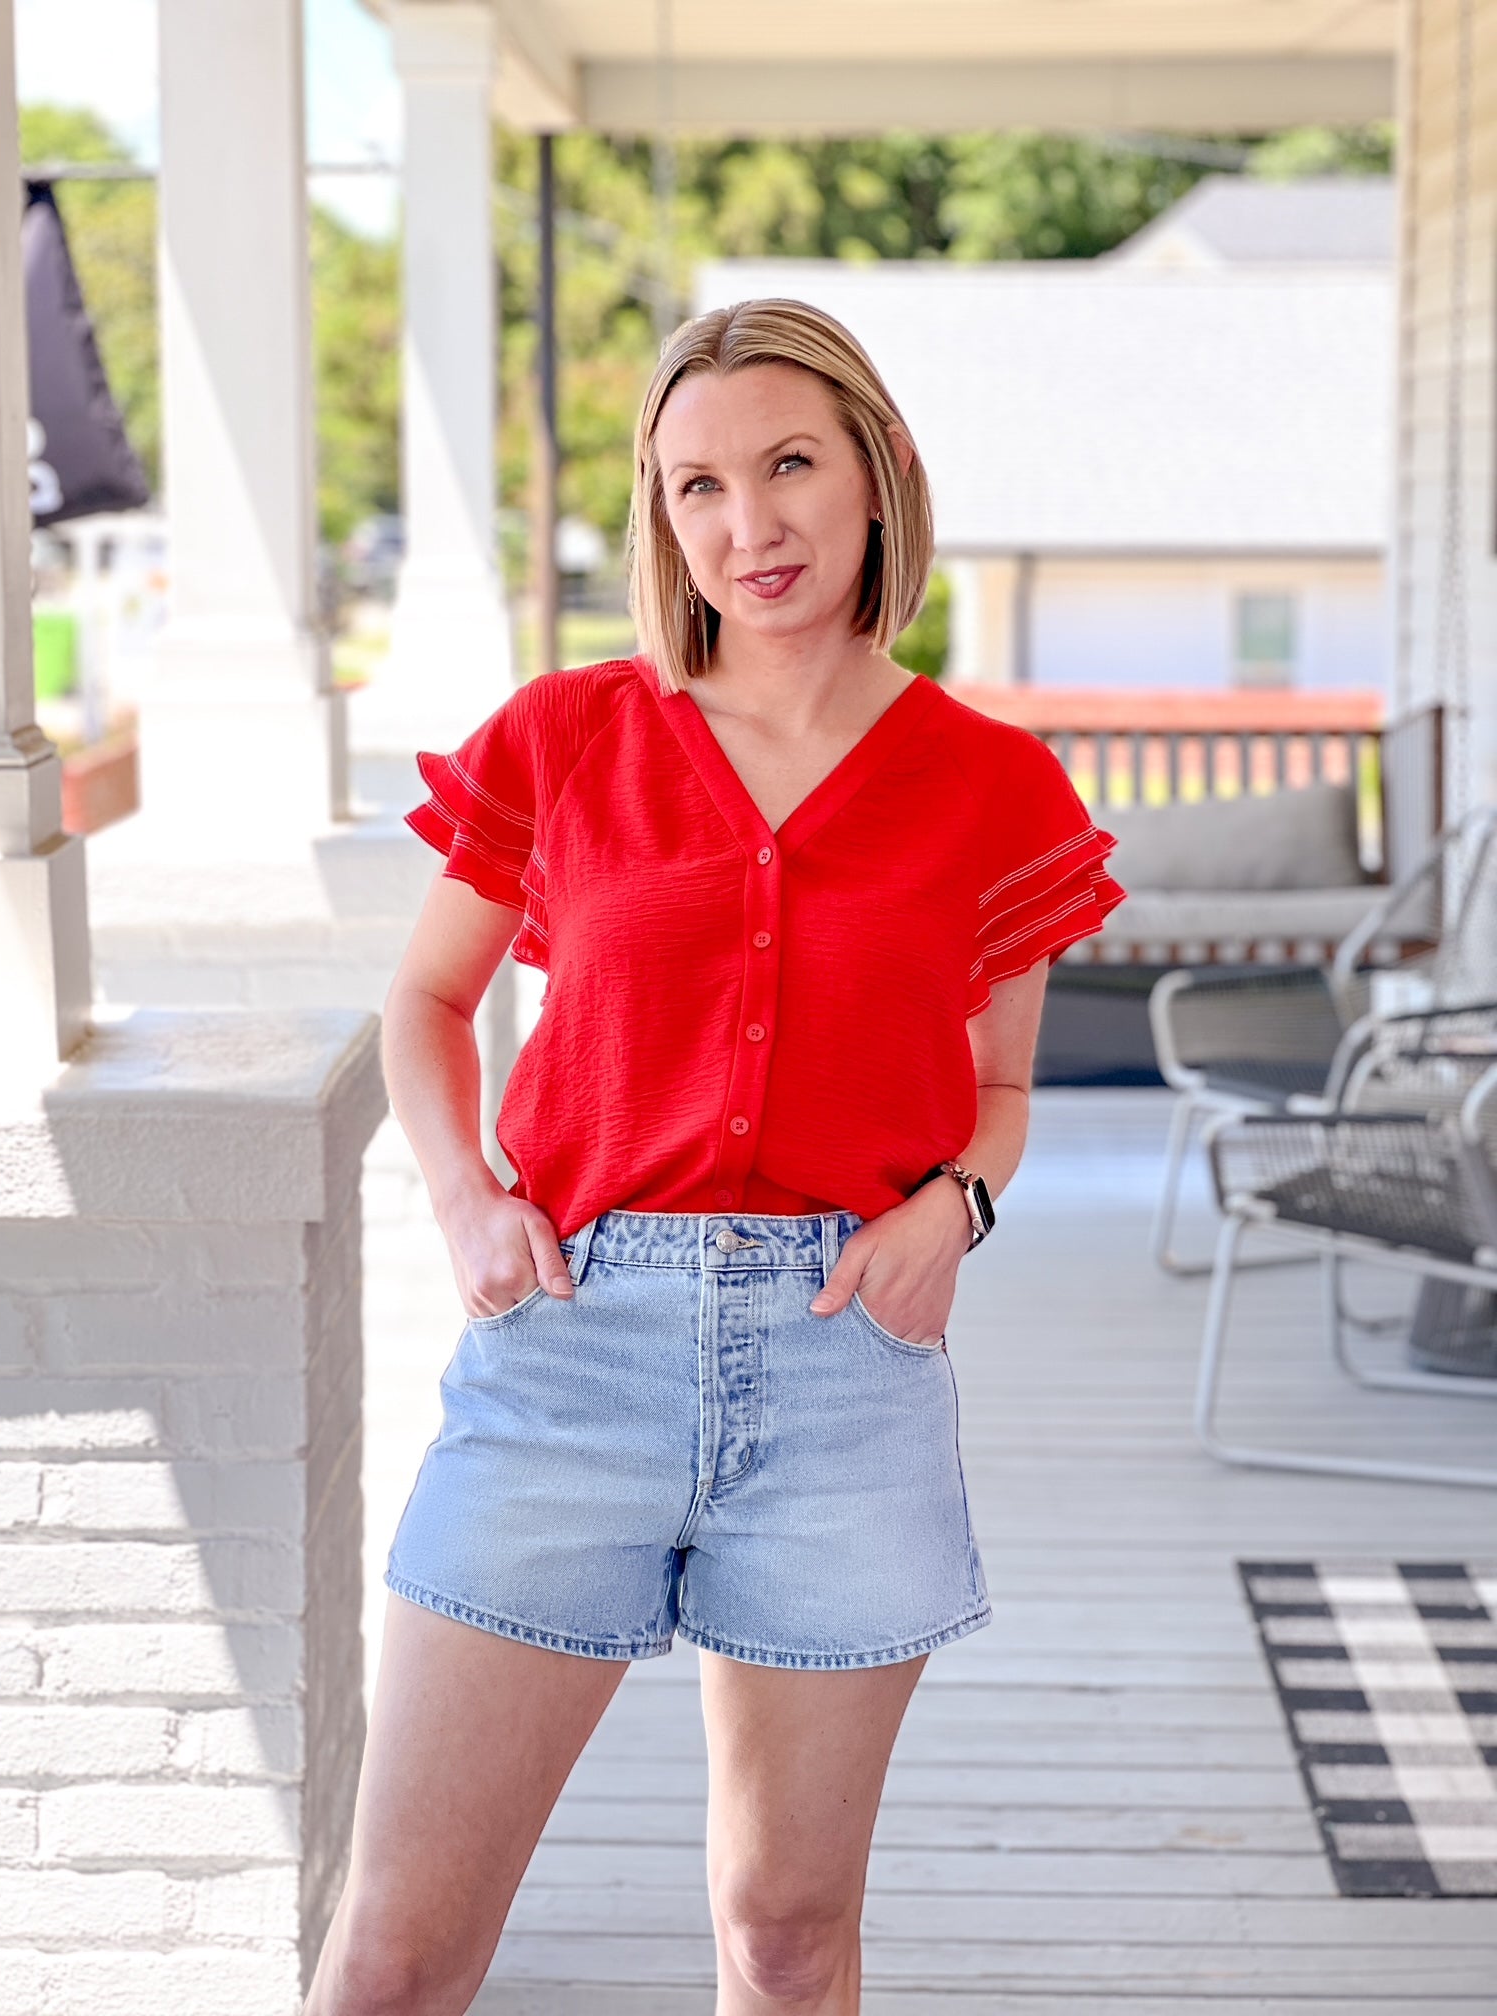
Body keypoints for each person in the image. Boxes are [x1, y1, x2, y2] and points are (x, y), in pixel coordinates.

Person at [305, 297, 1123, 2016]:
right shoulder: (568, 737)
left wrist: (951, 1213)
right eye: (696, 488)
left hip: (845, 1367)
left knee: (785, 1935)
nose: (747, 524)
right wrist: (463, 1195)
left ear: (879, 475)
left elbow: (1004, 1091)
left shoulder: (994, 789)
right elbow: (429, 1003)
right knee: (392, 1957)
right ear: (660, 521)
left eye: (788, 465)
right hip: (571, 1353)